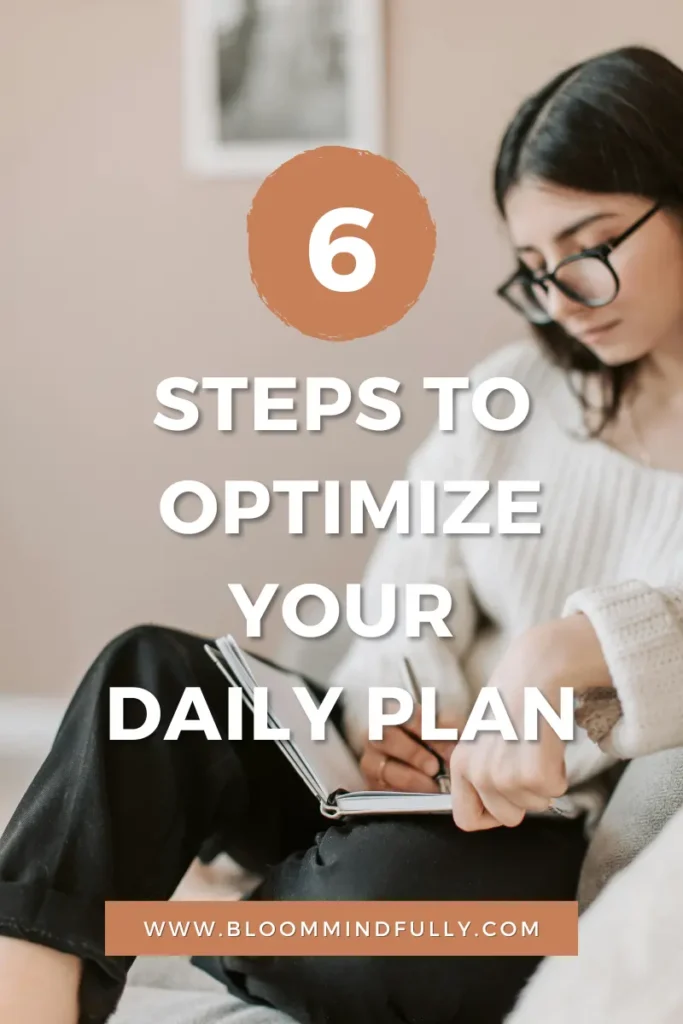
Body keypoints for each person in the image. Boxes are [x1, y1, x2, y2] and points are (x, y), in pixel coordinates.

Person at [3, 42, 683, 1024]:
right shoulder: (509, 392)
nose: (558, 298)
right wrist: (389, 720)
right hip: (386, 789)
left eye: (588, 247)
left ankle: (220, 909)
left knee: (390, 901)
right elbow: (406, 592)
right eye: (532, 268)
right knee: (145, 678)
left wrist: (562, 652)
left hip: (527, 836)